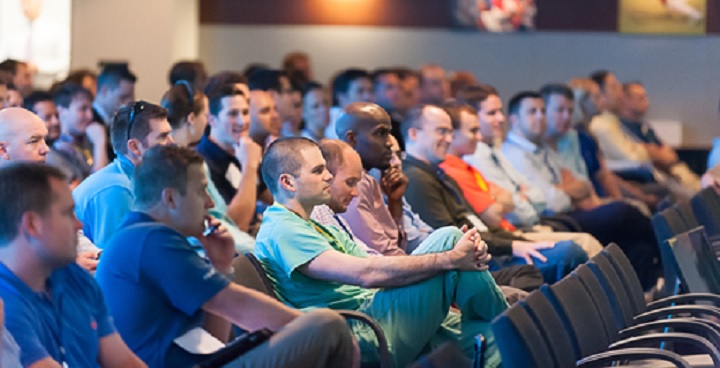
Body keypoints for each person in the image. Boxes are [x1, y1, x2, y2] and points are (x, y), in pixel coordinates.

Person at [255, 137, 508, 367]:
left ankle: (515, 330)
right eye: (319, 171)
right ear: (287, 182)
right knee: (450, 239)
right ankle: (513, 323)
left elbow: (373, 264)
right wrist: (450, 259)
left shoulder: (313, 222)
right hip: (363, 331)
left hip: (378, 312)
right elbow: (366, 274)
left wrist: (447, 264)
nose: (329, 177)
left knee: (492, 339)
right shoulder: (282, 228)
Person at [96, 145, 356, 368]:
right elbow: (240, 308)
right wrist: (318, 329)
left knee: (325, 327)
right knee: (328, 326)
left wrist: (220, 267)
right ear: (171, 198)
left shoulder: (141, 236)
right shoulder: (149, 240)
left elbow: (214, 340)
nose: (210, 203)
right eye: (201, 191)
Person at [401, 104, 587, 283]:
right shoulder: (416, 179)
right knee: (569, 252)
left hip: (492, 250)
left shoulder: (439, 175)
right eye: (441, 131)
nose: (449, 139)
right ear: (414, 134)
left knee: (570, 248)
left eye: (450, 132)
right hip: (479, 266)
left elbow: (478, 224)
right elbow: (452, 239)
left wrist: (520, 242)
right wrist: (514, 246)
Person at [502, 91, 661, 289]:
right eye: (532, 112)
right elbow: (549, 201)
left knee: (637, 244)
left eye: (542, 111)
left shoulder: (542, 148)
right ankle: (669, 255)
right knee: (623, 212)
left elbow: (581, 184)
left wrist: (564, 189)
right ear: (514, 119)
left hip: (570, 211)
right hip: (555, 218)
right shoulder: (515, 155)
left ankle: (644, 290)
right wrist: (566, 191)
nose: (541, 117)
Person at [0, 163, 146, 367]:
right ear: (32, 224)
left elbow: (122, 360)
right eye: (68, 213)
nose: (80, 225)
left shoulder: (74, 277)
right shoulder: (6, 303)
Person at [162, 82, 255, 252]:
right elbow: (220, 219)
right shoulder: (193, 163)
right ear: (192, 119)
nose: (207, 122)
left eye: (245, 112)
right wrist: (250, 166)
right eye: (205, 115)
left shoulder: (184, 160)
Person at [73, 101, 174, 247]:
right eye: (163, 137)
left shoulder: (134, 179)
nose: (172, 142)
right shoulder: (118, 188)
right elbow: (114, 260)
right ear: (134, 147)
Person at [196, 85, 266, 233]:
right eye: (233, 114)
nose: (242, 121)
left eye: (245, 112)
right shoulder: (202, 162)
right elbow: (235, 226)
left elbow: (276, 199)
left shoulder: (243, 150)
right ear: (212, 120)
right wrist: (250, 167)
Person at [46, 83, 108, 185]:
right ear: (61, 111)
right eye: (83, 109)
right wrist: (99, 144)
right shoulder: (53, 152)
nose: (90, 116)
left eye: (91, 109)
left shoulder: (88, 141)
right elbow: (98, 188)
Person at [93, 65, 137, 160]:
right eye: (124, 97)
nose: (129, 102)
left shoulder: (117, 120)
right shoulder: (90, 120)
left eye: (131, 97)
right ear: (104, 91)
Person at [326, 68, 374, 139]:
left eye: (371, 90)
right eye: (360, 91)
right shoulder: (330, 122)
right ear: (341, 97)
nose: (368, 96)